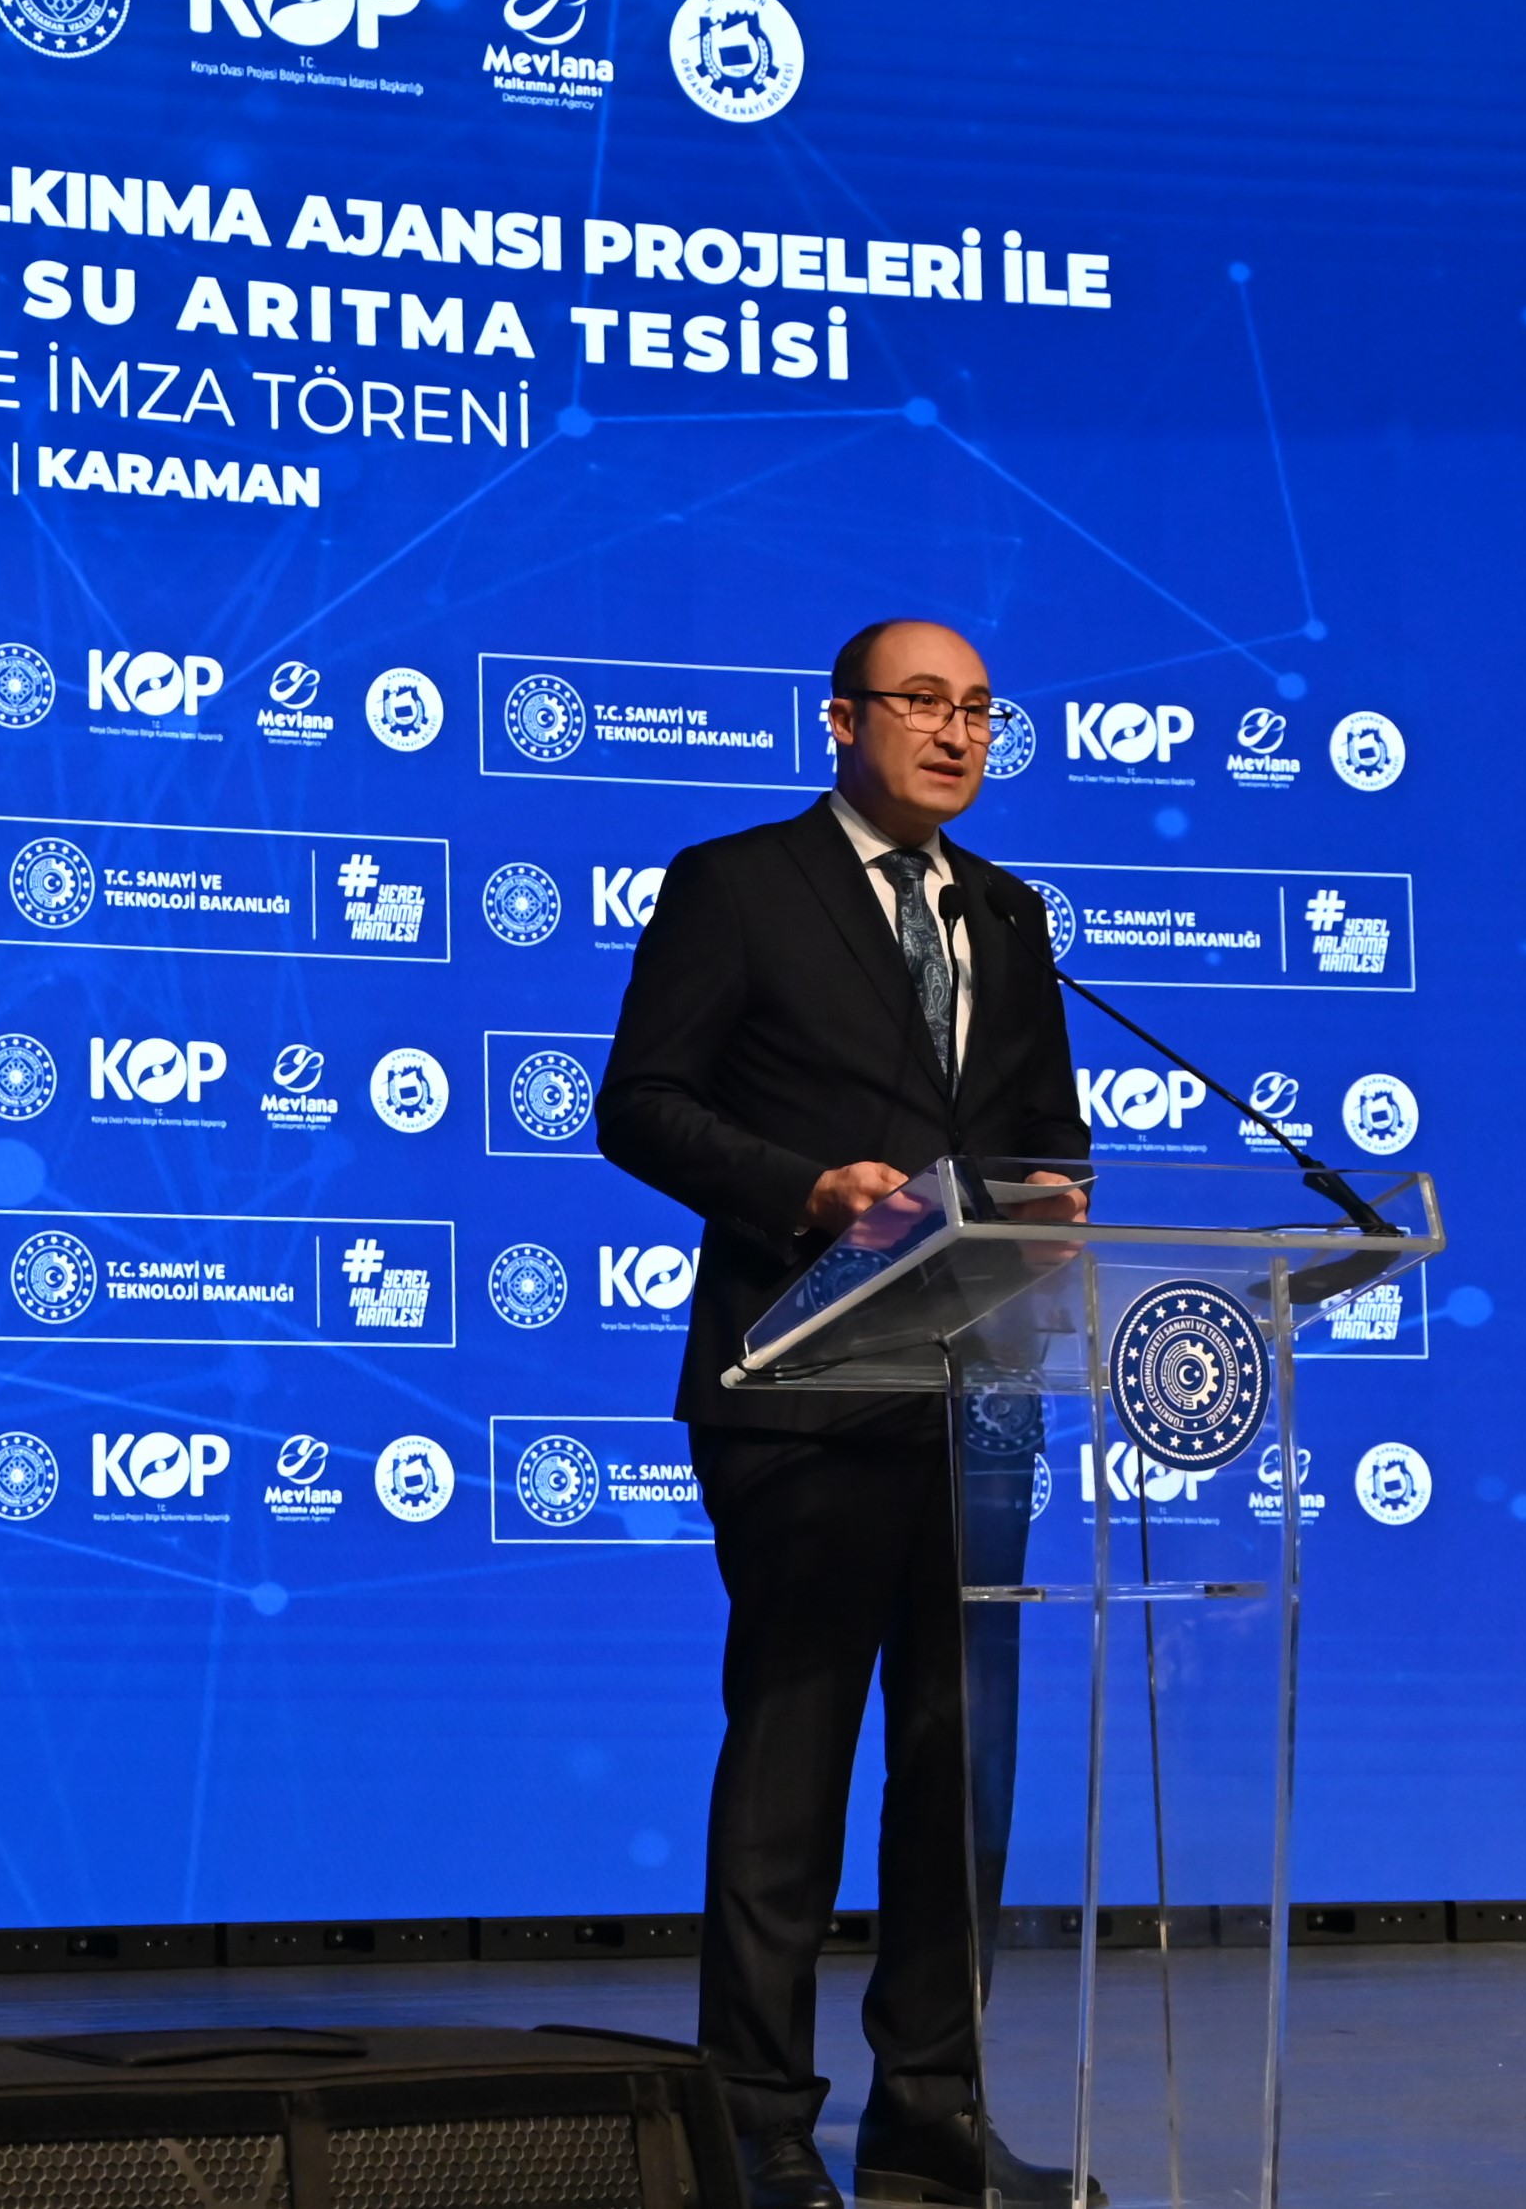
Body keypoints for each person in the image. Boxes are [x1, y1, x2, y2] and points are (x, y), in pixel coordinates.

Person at [593, 619, 1095, 2209]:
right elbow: (640, 1106)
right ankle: (754, 2123)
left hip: (979, 1389)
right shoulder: (739, 884)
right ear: (841, 720)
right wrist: (808, 1191)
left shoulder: (1005, 913)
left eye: (980, 712)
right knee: (795, 1753)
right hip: (800, 1387)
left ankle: (929, 2113)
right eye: (923, 703)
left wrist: (1055, 1205)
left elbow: (1044, 1130)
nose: (956, 733)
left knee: (960, 1761)